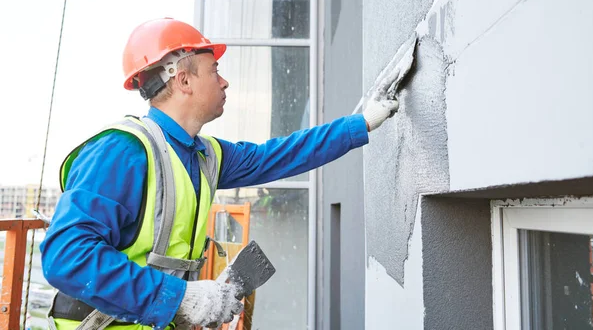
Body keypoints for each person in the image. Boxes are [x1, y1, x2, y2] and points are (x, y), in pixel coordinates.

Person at [40, 18, 399, 330]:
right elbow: (66, 257)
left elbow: (280, 155)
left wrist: (362, 123)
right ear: (183, 80)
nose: (224, 82)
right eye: (214, 71)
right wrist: (181, 296)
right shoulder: (121, 152)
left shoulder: (204, 155)